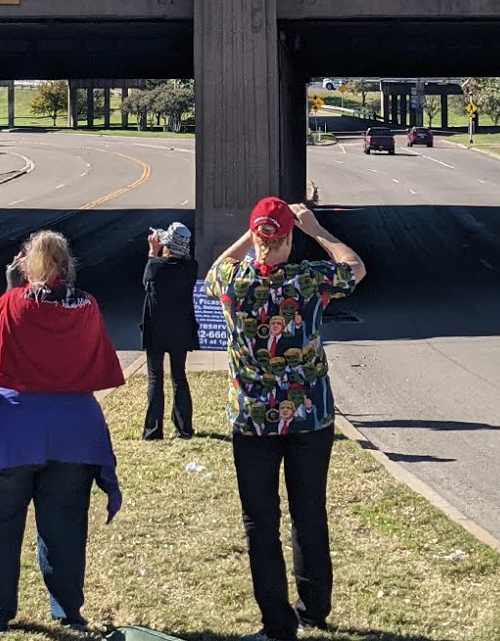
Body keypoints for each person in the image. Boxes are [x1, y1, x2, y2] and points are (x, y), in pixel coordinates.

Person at [207, 199, 366, 641]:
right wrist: (317, 230)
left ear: (256, 238)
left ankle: (277, 623)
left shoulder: (231, 282)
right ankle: (314, 608)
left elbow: (218, 265)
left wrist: (252, 236)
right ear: (289, 239)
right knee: (308, 512)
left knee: (260, 521)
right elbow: (355, 267)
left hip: (253, 421)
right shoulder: (309, 279)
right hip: (309, 416)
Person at [0, 230, 124, 636]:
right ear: (68, 266)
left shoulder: (9, 305)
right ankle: (69, 612)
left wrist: (10, 288)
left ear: (26, 265)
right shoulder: (86, 306)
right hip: (76, 432)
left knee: (0, 526)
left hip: (15, 434)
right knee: (66, 526)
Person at [141, 221, 198, 441]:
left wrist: (152, 252)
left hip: (156, 330)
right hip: (181, 329)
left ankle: (153, 430)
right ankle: (184, 428)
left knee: (155, 377)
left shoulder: (156, 267)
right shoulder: (191, 268)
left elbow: (146, 282)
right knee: (179, 377)